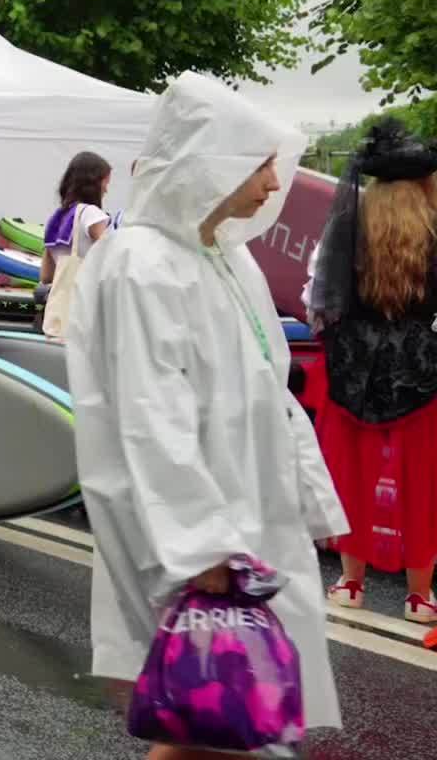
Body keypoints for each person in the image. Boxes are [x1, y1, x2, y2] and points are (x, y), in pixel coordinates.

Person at [67, 72, 347, 756]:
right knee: (212, 715)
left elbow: (270, 394)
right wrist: (202, 545)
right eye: (258, 164)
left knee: (225, 718)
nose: (273, 184)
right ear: (204, 160)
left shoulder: (228, 259)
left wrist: (312, 503)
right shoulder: (139, 264)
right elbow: (146, 413)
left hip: (247, 521)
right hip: (197, 536)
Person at [307, 120, 437, 623]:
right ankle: (420, 596)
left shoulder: (349, 224)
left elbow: (320, 298)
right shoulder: (433, 227)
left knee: (353, 471)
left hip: (354, 361)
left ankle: (349, 583)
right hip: (421, 362)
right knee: (422, 474)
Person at [38, 151, 112, 339]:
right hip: (88, 315)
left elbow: (46, 276)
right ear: (94, 182)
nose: (106, 189)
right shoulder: (91, 214)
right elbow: (113, 257)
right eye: (105, 182)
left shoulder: (57, 218)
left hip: (60, 318)